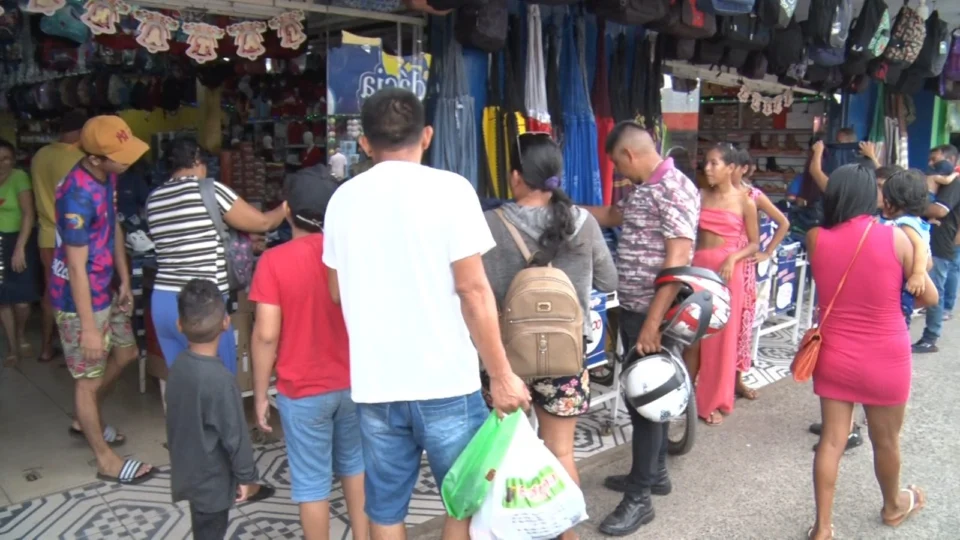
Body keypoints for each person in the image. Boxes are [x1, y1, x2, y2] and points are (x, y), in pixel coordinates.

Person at [321, 88, 530, 539]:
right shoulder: (452, 190)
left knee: (385, 511)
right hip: (446, 383)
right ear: (428, 135)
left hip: (376, 386)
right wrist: (501, 375)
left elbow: (335, 291)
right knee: (464, 502)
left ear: (365, 143)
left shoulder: (341, 200)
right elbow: (473, 290)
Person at [480, 132, 617, 540]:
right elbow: (609, 280)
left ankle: (515, 530)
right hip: (566, 357)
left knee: (505, 456)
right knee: (561, 452)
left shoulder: (489, 224)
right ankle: (566, 535)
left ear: (515, 176)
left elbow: (473, 292)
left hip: (506, 362)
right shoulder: (583, 222)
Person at [806, 164, 937, 540]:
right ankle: (893, 506)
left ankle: (823, 528)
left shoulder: (816, 238)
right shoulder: (897, 239)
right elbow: (929, 297)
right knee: (886, 440)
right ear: (869, 196)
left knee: (832, 440)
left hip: (834, 352)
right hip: (886, 355)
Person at [583, 122, 699, 536]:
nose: (618, 171)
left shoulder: (673, 188)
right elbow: (612, 215)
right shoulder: (643, 188)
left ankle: (639, 500)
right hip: (635, 310)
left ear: (629, 155)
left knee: (647, 399)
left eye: (617, 163)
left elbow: (677, 259)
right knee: (647, 397)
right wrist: (563, 207)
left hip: (656, 315)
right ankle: (656, 474)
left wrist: (652, 324)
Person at [249, 165, 368, 540]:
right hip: (354, 384)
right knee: (356, 467)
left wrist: (259, 394)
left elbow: (266, 335)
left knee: (312, 482)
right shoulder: (351, 255)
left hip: (302, 391)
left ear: (287, 211)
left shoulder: (274, 261)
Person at [50, 116, 153, 483]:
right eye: (120, 156)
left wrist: (123, 278)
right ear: (95, 158)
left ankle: (86, 417)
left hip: (105, 287)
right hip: (78, 301)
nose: (129, 161)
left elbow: (113, 226)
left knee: (126, 354)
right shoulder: (75, 196)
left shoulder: (107, 175)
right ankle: (106, 460)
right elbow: (76, 268)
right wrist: (89, 329)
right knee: (88, 379)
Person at [145, 136, 285, 383]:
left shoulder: (154, 199)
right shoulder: (209, 189)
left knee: (183, 385)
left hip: (163, 302)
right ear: (196, 160)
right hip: (202, 304)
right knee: (220, 385)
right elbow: (263, 223)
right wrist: (286, 208)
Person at [166, 279, 274, 540]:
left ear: (179, 325)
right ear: (226, 323)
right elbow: (236, 437)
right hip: (213, 482)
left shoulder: (178, 366)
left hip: (188, 472)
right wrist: (247, 478)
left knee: (203, 528)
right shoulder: (221, 381)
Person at [685, 144, 759, 426]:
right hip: (699, 268)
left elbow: (754, 243)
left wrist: (733, 257)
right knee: (693, 337)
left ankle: (712, 401)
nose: (707, 168)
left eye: (714, 163)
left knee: (720, 341)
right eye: (706, 162)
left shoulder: (745, 201)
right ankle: (686, 397)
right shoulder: (700, 195)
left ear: (731, 168)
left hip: (728, 272)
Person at [30, 110, 87, 363]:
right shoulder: (79, 159)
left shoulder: (40, 155)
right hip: (70, 235)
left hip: (46, 234)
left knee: (51, 292)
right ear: (81, 132)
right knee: (77, 290)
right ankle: (74, 349)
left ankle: (45, 347)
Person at [737, 149, 789, 400]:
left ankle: (737, 379)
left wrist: (768, 252)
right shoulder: (711, 193)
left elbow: (783, 223)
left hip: (745, 266)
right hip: (719, 265)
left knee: (742, 325)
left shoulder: (753, 195)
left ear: (744, 169)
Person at [915, 144, 960, 353]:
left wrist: (912, 208)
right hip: (928, 240)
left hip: (940, 244)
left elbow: (939, 211)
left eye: (935, 159)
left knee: (935, 290)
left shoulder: (954, 184)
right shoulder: (938, 181)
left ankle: (930, 338)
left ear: (950, 160)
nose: (931, 164)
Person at [0, 139, 39, 366]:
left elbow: (28, 214)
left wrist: (20, 248)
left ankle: (21, 333)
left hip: (19, 240)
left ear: (13, 160)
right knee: (3, 299)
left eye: (6, 158)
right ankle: (13, 347)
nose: (1, 163)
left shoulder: (19, 178)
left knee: (22, 301)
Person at [878, 169, 933, 328]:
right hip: (905, 279)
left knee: (899, 320)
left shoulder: (904, 223)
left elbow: (920, 246)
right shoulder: (916, 220)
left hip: (905, 282)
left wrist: (918, 274)